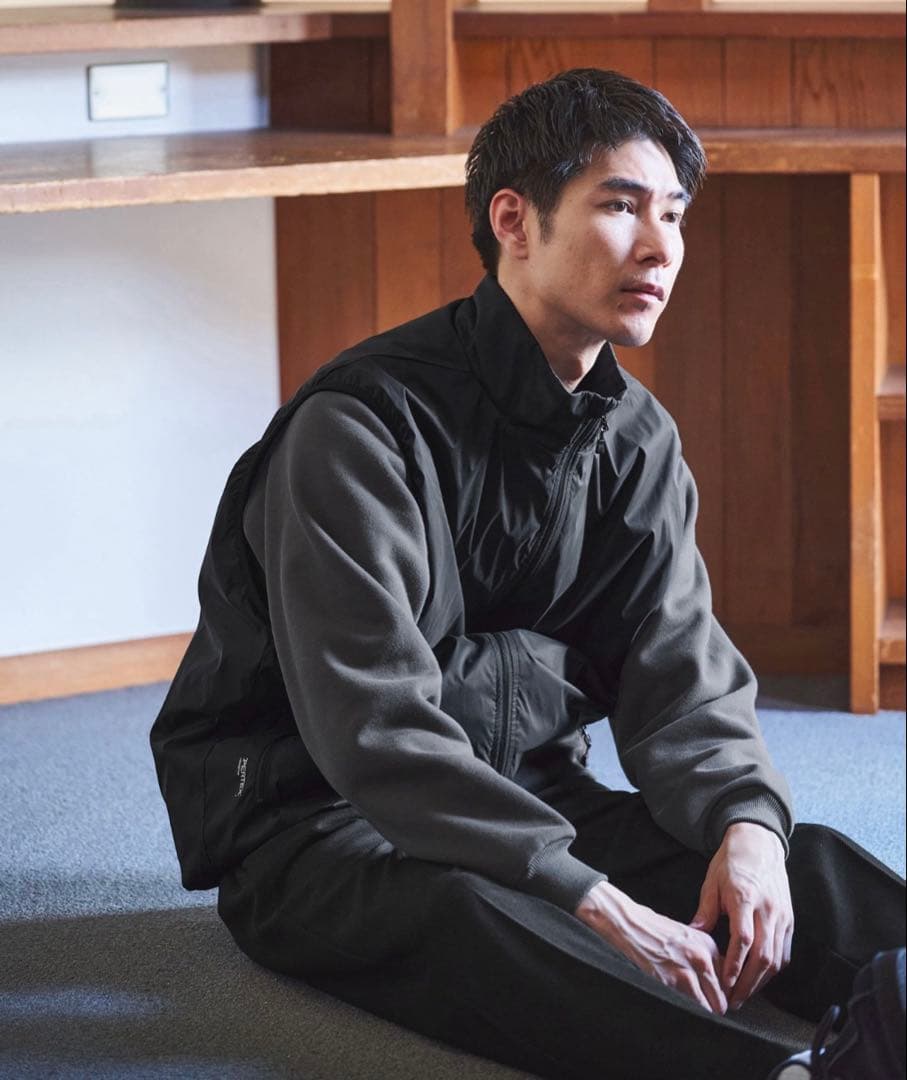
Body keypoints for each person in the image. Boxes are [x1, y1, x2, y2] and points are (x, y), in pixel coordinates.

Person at [150, 69, 906, 1080]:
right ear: (513, 220)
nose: (659, 247)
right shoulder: (357, 430)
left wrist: (744, 824)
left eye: (674, 215)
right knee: (487, 912)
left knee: (791, 859)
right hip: (316, 822)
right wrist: (584, 894)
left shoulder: (635, 437)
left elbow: (676, 670)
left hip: (528, 790)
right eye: (621, 206)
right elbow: (374, 728)